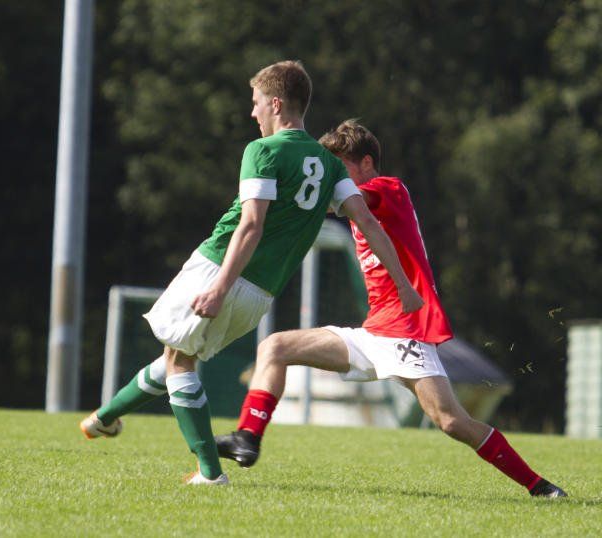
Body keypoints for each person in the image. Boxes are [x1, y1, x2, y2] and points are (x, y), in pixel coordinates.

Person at [80, 62, 423, 486]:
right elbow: (368, 224)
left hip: (219, 266)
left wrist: (218, 287)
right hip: (262, 293)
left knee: (179, 362)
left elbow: (251, 226)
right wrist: (404, 286)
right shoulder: (330, 165)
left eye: (256, 102)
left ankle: (210, 474)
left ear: (275, 104)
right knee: (176, 355)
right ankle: (105, 418)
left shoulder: (263, 151)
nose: (253, 112)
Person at [215, 119, 566, 498]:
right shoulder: (357, 202)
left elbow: (344, 201)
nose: (336, 179)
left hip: (406, 331)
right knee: (274, 347)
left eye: (340, 168)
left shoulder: (388, 188)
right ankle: (248, 438)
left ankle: (539, 486)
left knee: (451, 421)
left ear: (366, 163)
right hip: (374, 333)